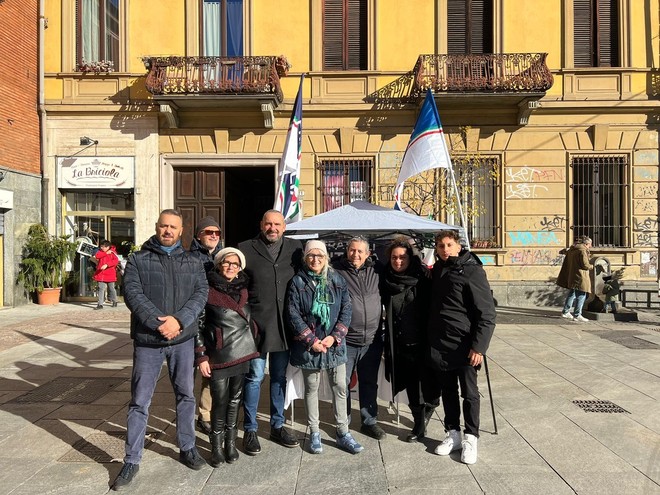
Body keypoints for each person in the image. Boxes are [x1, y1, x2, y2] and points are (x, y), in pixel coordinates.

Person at [112, 209, 209, 490]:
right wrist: (160, 324)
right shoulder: (139, 259)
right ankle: (131, 459)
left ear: (181, 231)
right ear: (157, 227)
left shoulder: (193, 261)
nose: (168, 231)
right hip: (148, 342)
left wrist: (179, 321)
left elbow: (200, 294)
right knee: (140, 402)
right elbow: (132, 294)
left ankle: (187, 447)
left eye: (173, 227)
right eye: (163, 226)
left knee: (186, 396)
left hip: (182, 340)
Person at [286, 240, 363, 455]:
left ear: (326, 258)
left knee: (340, 386)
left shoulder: (337, 279)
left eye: (320, 255)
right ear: (305, 257)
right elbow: (293, 314)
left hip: (334, 346)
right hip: (309, 346)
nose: (315, 259)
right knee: (311, 389)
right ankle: (315, 431)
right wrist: (312, 340)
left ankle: (342, 431)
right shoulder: (297, 282)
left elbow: (346, 310)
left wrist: (334, 337)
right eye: (311, 255)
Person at [238, 210, 303, 454]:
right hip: (256, 326)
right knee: (254, 377)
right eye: (268, 223)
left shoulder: (297, 249)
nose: (272, 228)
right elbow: (238, 285)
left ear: (284, 227)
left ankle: (277, 425)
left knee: (279, 378)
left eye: (277, 224)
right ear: (261, 225)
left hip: (285, 326)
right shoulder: (245, 248)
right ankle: (251, 428)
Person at [428, 230, 496, 465]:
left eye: (448, 244)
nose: (444, 249)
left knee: (469, 393)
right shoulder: (438, 270)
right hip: (441, 344)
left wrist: (479, 347)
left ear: (458, 246)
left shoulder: (473, 270)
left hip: (466, 345)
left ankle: (471, 437)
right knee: (447, 391)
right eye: (440, 246)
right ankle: (453, 434)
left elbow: (487, 313)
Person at [195, 247, 259, 466]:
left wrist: (254, 335)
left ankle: (230, 444)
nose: (231, 267)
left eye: (235, 264)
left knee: (235, 400)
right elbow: (198, 325)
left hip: (242, 352)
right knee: (219, 401)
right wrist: (201, 356)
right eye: (227, 263)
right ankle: (216, 447)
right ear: (219, 264)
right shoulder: (207, 289)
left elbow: (250, 318)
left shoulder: (244, 290)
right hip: (219, 354)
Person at [380, 237, 439, 443]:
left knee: (429, 387)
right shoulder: (386, 279)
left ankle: (429, 409)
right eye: (394, 257)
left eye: (402, 257)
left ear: (409, 257)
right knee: (412, 387)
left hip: (423, 342)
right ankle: (419, 425)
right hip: (400, 343)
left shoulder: (422, 277)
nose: (398, 261)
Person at [332, 236, 386, 440]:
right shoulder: (336, 270)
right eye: (352, 250)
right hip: (346, 340)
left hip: (372, 339)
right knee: (341, 384)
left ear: (367, 254)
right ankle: (342, 424)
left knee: (369, 382)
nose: (355, 254)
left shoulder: (377, 270)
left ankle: (369, 421)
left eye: (360, 251)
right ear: (347, 251)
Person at [189, 216, 223, 435]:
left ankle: (205, 415)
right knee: (187, 375)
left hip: (211, 322)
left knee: (209, 372)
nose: (213, 235)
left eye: (217, 233)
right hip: (191, 319)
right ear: (198, 235)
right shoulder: (189, 258)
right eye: (208, 232)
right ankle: (185, 415)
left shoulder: (220, 258)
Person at [556, 236, 593, 323]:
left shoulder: (572, 250)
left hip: (572, 275)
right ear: (586, 244)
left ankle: (565, 311)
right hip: (581, 276)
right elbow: (585, 265)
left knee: (572, 293)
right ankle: (577, 315)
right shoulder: (582, 251)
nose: (590, 246)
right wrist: (592, 266)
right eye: (590, 245)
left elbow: (563, 252)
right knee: (581, 294)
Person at [92, 239, 119, 310]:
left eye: (104, 247)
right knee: (101, 289)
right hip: (101, 274)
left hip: (110, 274)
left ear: (108, 247)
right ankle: (100, 304)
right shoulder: (100, 252)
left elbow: (116, 261)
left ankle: (114, 301)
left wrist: (107, 265)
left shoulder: (113, 253)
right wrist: (106, 253)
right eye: (101, 246)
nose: (102, 248)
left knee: (111, 288)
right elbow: (97, 256)